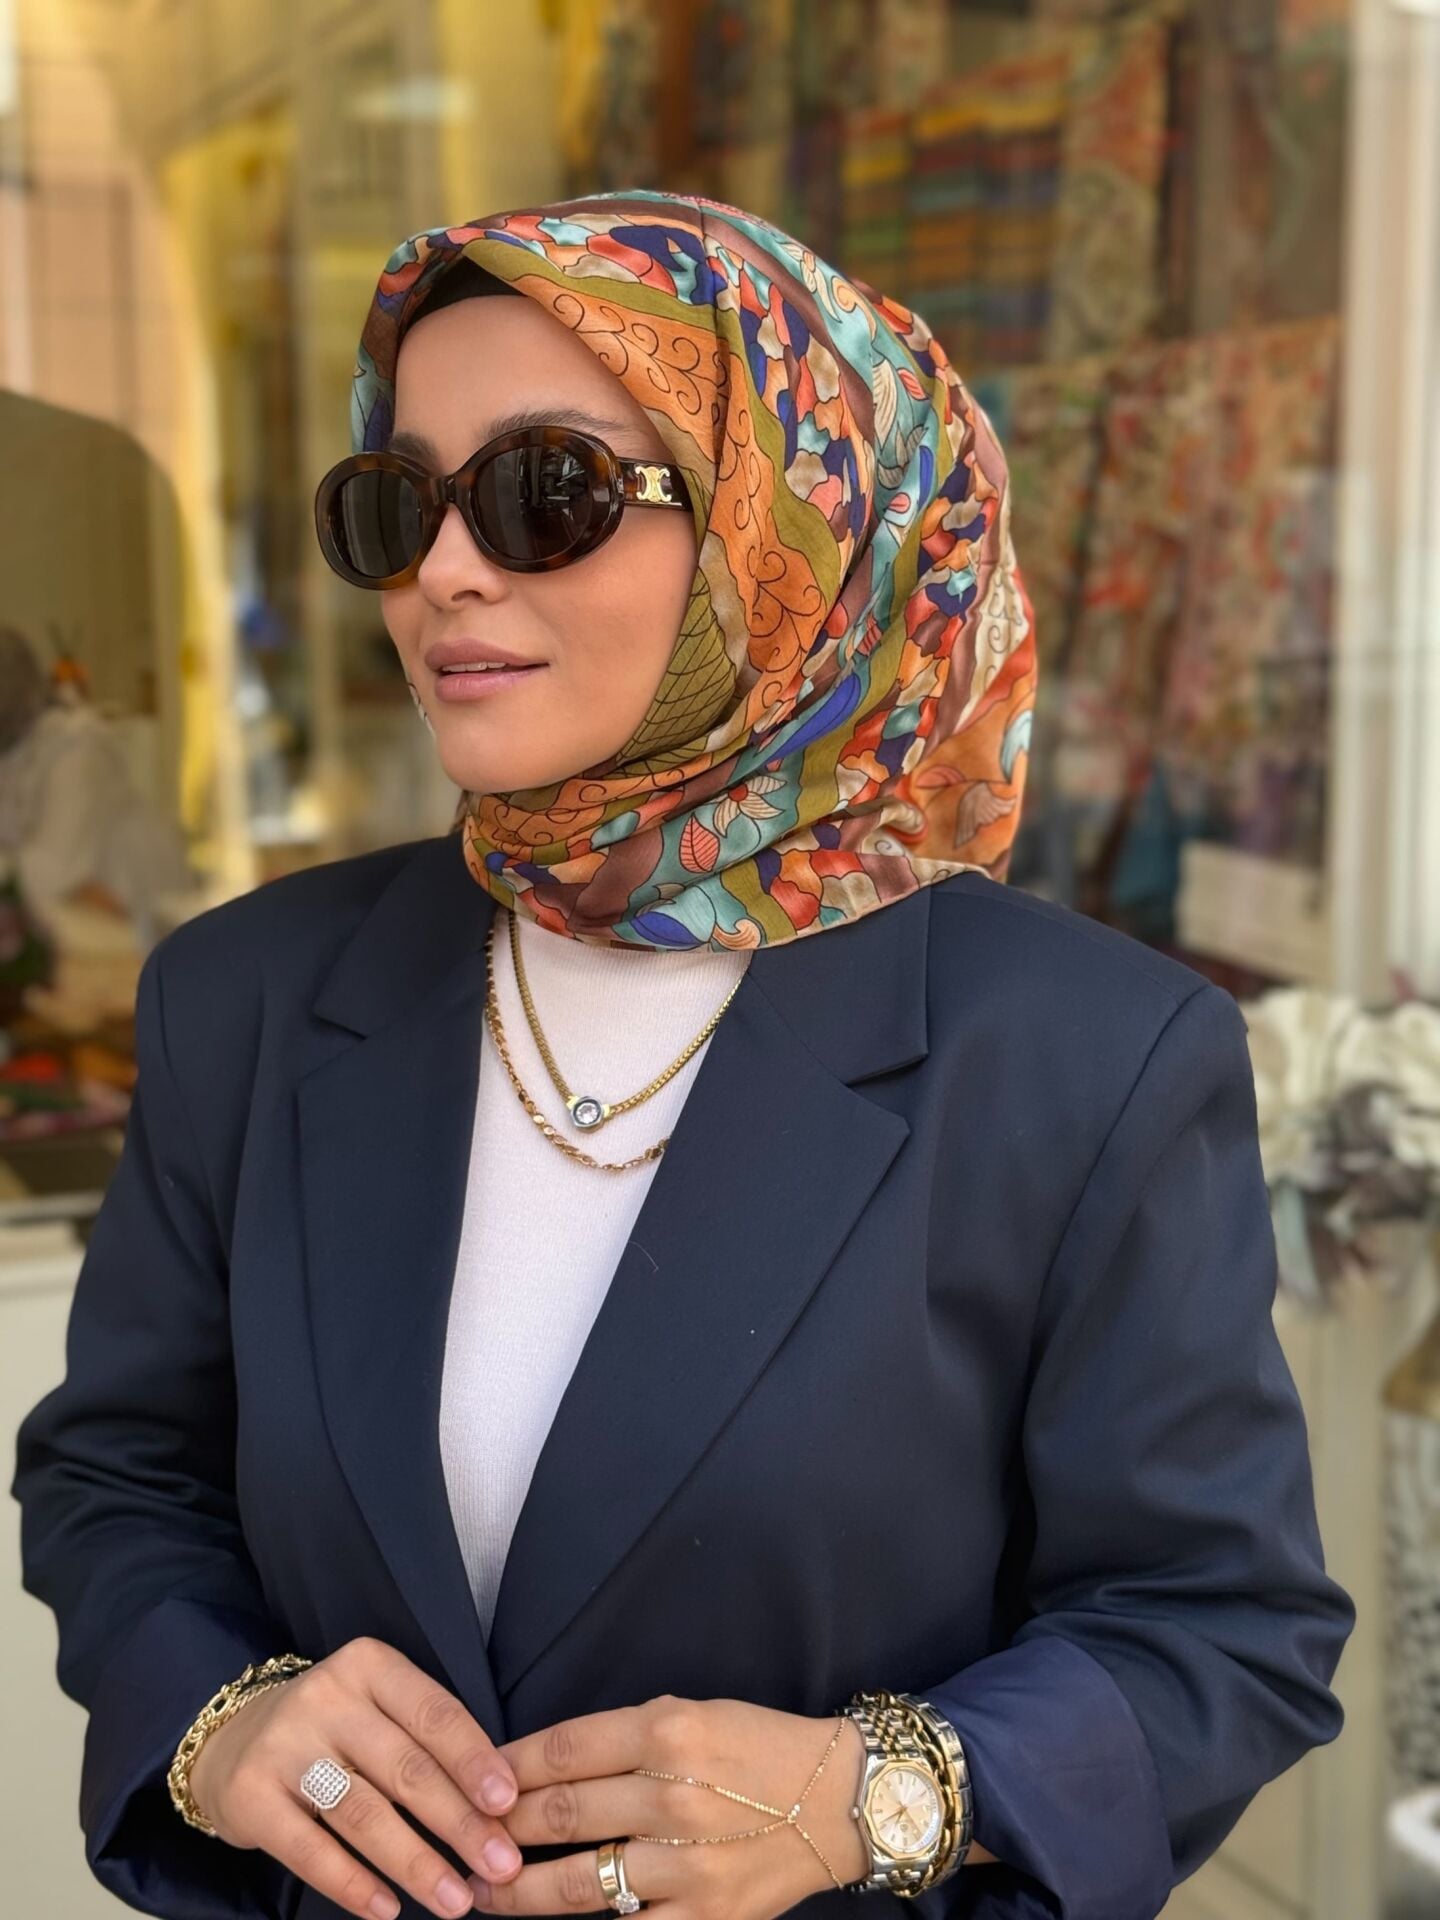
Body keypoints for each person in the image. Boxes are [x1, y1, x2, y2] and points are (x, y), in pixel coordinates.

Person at [11, 191, 1354, 1920]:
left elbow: (1220, 1627)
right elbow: (119, 1475)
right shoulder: (249, 996)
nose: (445, 572)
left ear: (784, 523)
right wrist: (221, 1717)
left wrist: (871, 1798)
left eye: (543, 493)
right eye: (396, 505)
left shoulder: (1085, 1060)